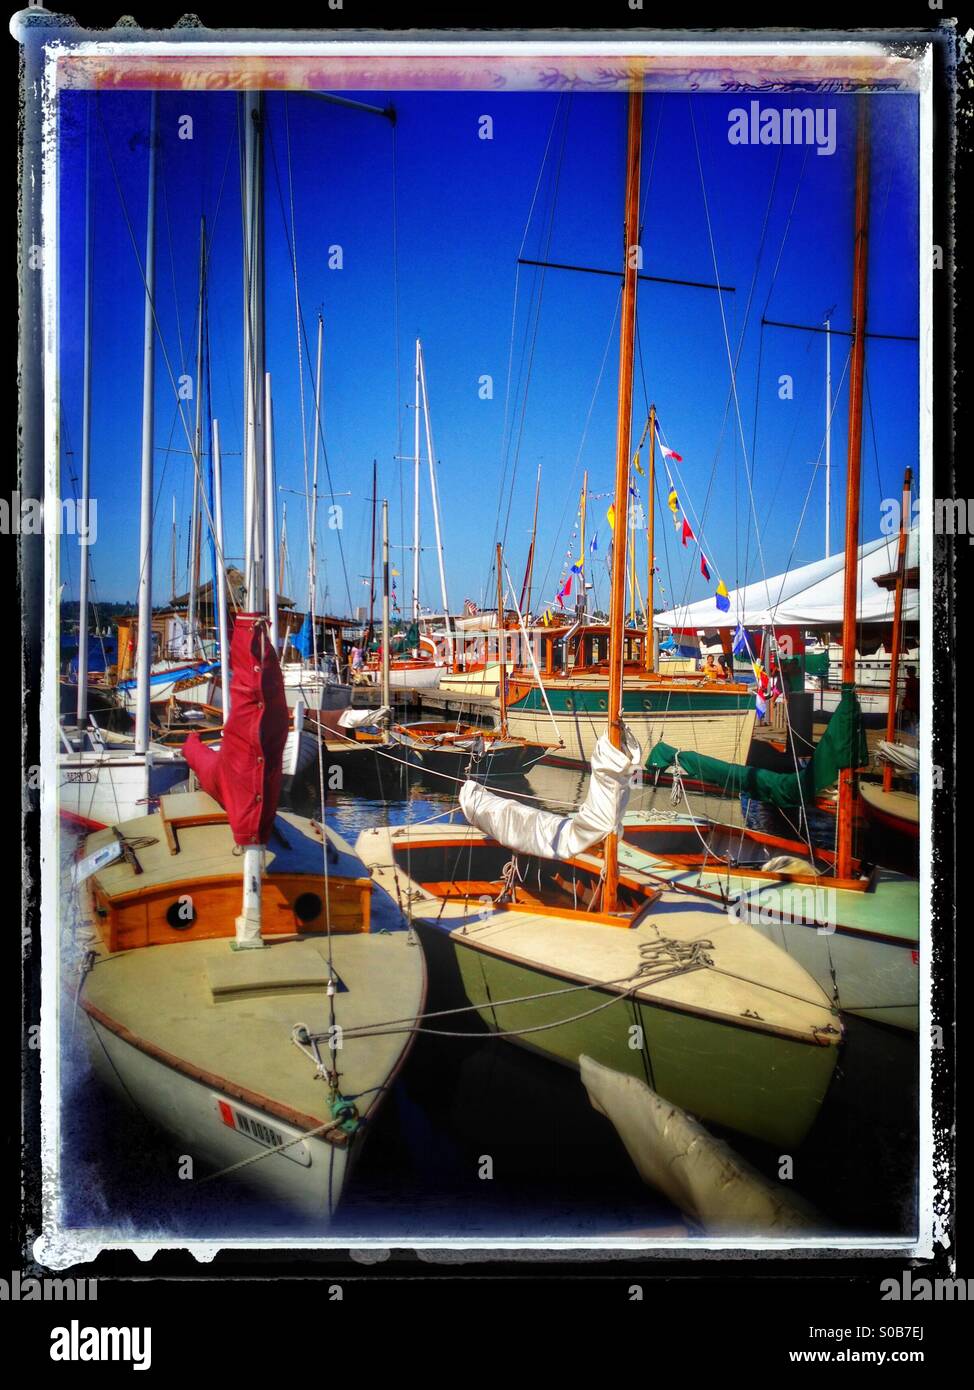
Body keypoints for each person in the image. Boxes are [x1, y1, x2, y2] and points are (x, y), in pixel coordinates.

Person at [901, 665, 919, 735]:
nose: (907, 673)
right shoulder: (917, 681)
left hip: (910, 704)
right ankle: (914, 732)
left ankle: (912, 733)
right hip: (915, 703)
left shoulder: (910, 681)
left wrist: (904, 703)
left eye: (908, 671)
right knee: (914, 720)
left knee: (910, 720)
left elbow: (908, 693)